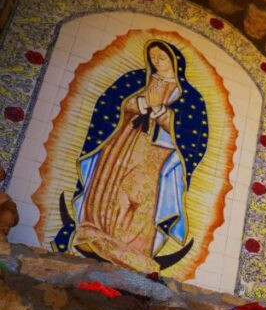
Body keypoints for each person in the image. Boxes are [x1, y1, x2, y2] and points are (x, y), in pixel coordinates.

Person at [53, 39, 208, 272]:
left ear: (175, 61)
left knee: (141, 197)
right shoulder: (135, 80)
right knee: (110, 186)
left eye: (162, 58)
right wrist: (137, 103)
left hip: (157, 153)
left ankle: (135, 249)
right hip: (122, 142)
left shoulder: (190, 97)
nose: (157, 62)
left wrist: (164, 115)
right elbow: (108, 103)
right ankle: (95, 232)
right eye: (153, 57)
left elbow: (195, 136)